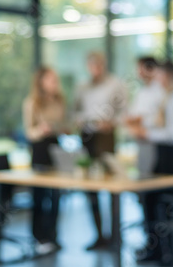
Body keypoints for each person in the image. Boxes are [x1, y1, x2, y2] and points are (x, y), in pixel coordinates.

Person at [128, 61, 173, 266]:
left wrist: (146, 133)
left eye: (160, 76)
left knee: (166, 206)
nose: (157, 80)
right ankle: (156, 249)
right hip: (161, 154)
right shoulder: (168, 96)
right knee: (153, 202)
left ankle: (171, 254)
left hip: (170, 155)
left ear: (168, 76)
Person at [74, 52, 128, 250]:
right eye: (91, 65)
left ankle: (115, 236)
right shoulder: (82, 86)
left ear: (103, 65)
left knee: (111, 182)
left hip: (106, 136)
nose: (94, 69)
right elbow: (75, 110)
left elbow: (124, 110)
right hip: (87, 135)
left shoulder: (115, 84)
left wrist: (112, 122)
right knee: (91, 185)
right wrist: (80, 119)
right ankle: (99, 235)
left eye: (98, 65)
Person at [23, 67, 66, 255]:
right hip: (40, 149)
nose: (55, 83)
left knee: (56, 196)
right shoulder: (32, 102)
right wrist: (41, 130)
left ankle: (52, 235)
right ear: (41, 82)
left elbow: (65, 123)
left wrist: (62, 128)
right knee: (40, 196)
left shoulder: (60, 101)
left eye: (56, 80)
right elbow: (29, 132)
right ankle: (39, 237)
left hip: (55, 148)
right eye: (51, 80)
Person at [125, 56, 165, 175]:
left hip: (155, 141)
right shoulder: (141, 91)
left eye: (140, 68)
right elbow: (133, 114)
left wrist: (142, 120)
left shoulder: (161, 90)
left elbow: (161, 119)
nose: (139, 72)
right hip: (141, 140)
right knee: (143, 173)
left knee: (154, 176)